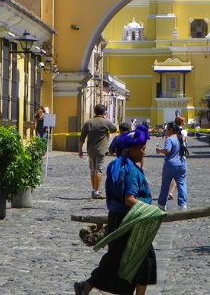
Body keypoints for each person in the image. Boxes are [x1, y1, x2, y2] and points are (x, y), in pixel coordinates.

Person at [74, 125, 158, 295]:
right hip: (128, 220)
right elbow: (129, 199)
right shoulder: (130, 171)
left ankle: (86, 287)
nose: (144, 152)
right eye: (141, 148)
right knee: (127, 259)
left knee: (135, 258)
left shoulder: (117, 165)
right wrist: (151, 210)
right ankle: (86, 286)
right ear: (131, 150)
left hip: (117, 218)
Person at [79, 104, 117, 199]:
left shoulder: (88, 122)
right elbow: (114, 129)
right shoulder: (105, 122)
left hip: (90, 150)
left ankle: (94, 190)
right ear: (104, 112)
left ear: (94, 111)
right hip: (101, 150)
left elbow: (82, 137)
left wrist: (80, 149)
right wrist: (106, 119)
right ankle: (97, 191)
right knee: (98, 170)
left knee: (92, 170)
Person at [156, 122, 188, 210]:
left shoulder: (169, 139)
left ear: (170, 130)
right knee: (181, 184)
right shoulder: (180, 138)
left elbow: (167, 150)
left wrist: (159, 151)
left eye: (167, 129)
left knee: (165, 184)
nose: (165, 131)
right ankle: (182, 204)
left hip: (170, 165)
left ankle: (162, 204)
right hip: (182, 164)